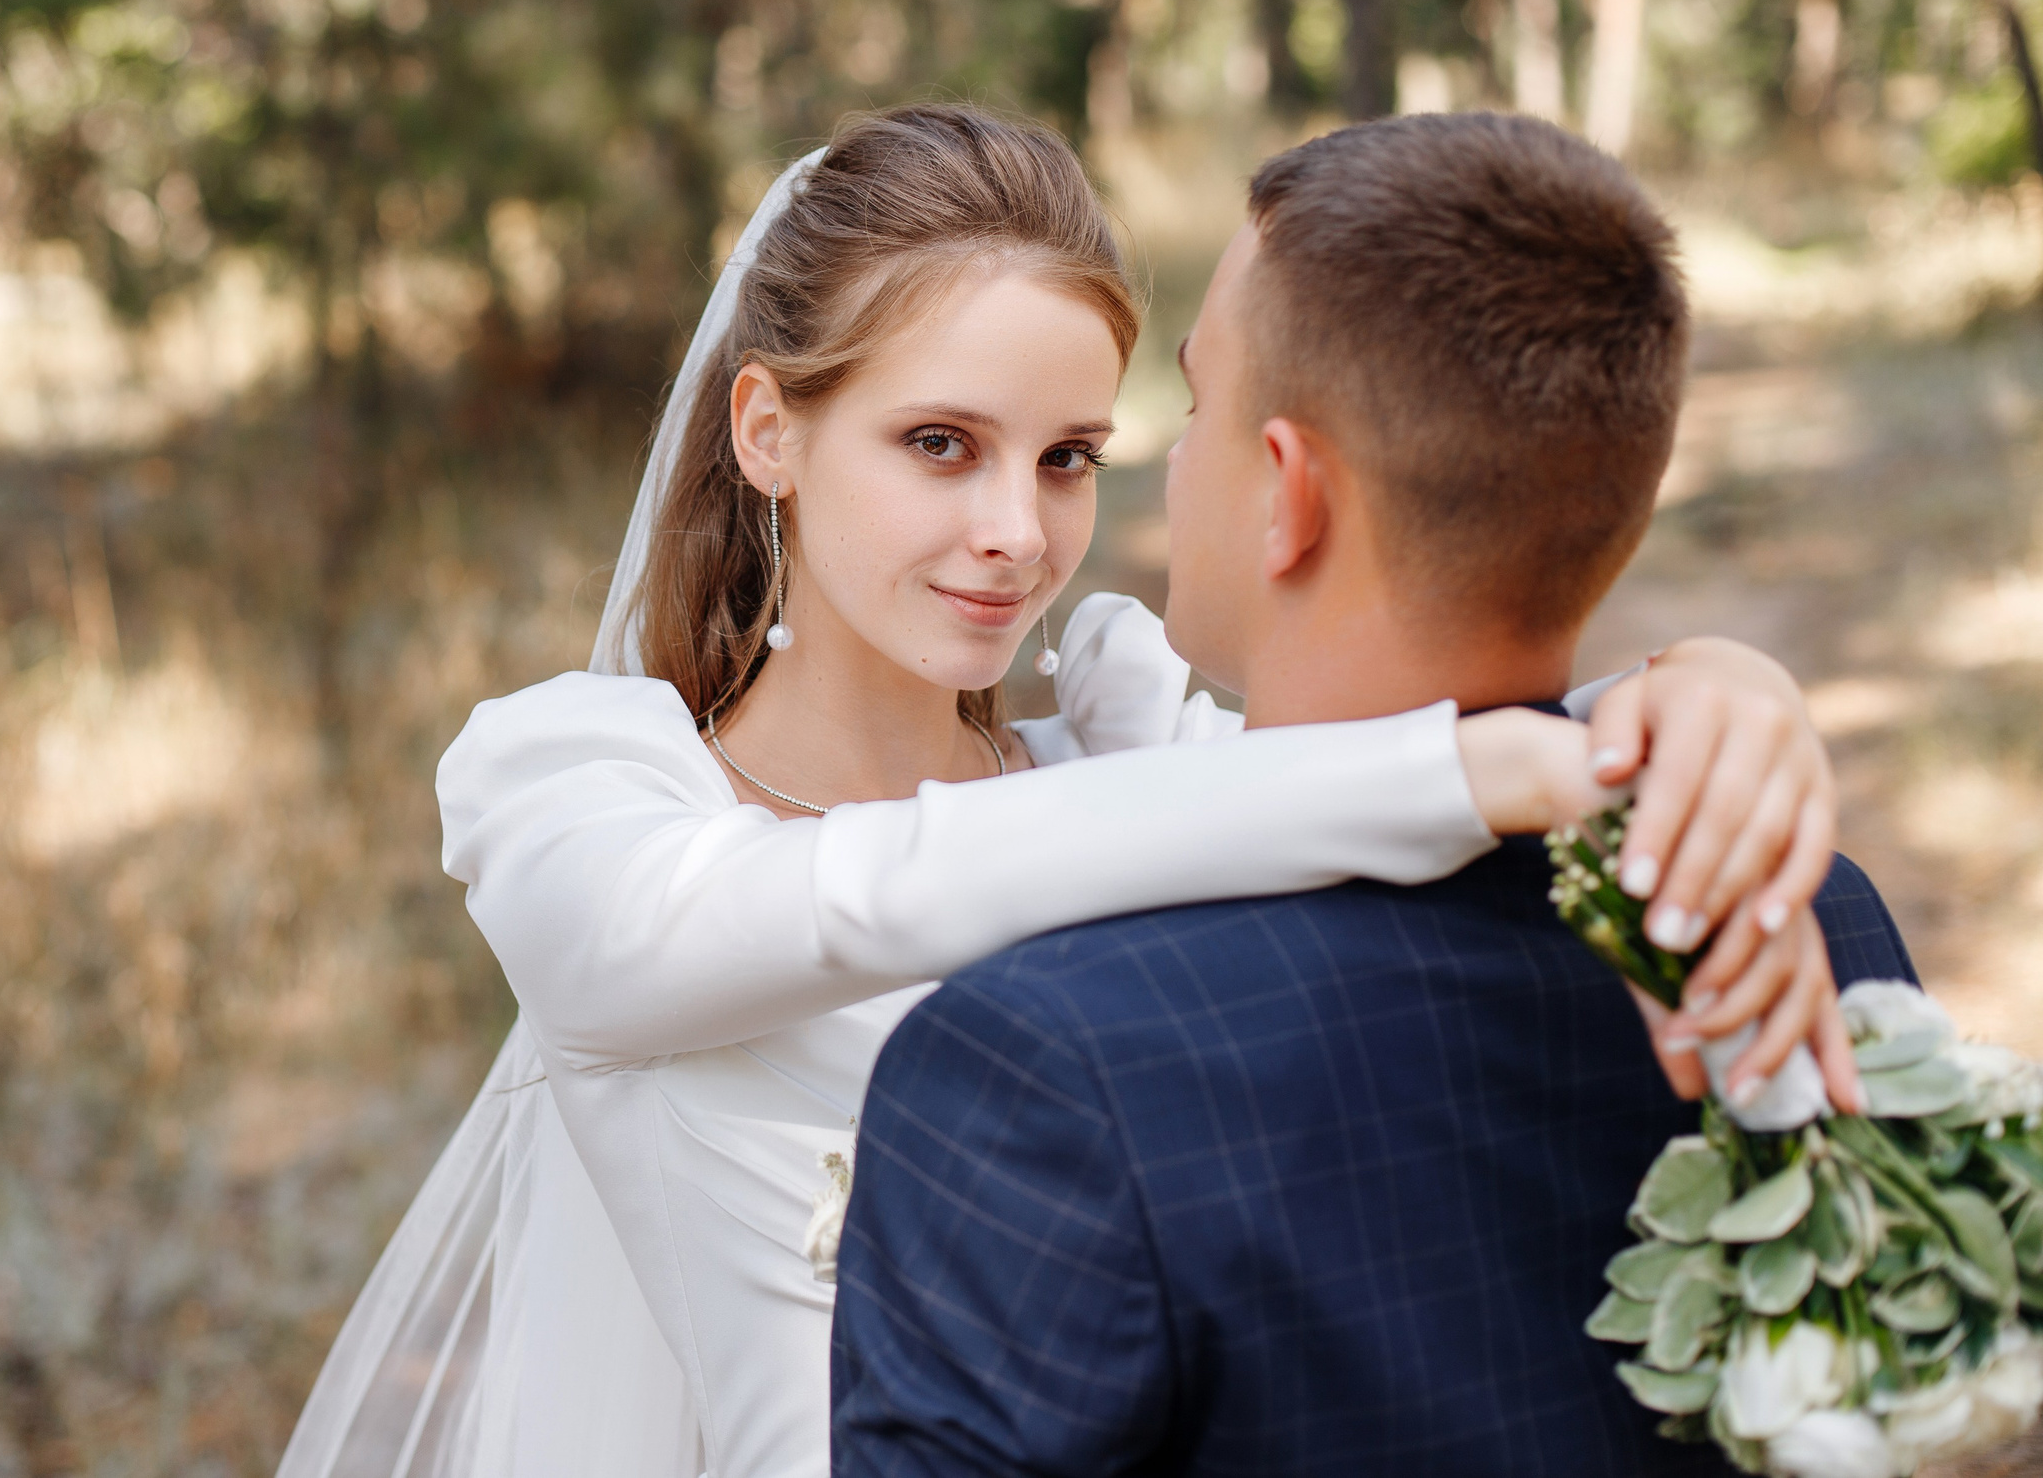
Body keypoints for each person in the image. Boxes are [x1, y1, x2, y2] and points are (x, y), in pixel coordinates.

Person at [276, 106, 1853, 1478]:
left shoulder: (1123, 752)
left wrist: (1703, 688)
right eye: (942, 443)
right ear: (771, 430)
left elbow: (1356, 794)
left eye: (1070, 457)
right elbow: (858, 895)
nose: (1016, 534)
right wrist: (1472, 762)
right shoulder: (577, 790)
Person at [825, 112, 1919, 1478]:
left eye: (1202, 407)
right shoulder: (1807, 924)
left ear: (1288, 493)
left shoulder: (1046, 1072)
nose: (1166, 460)